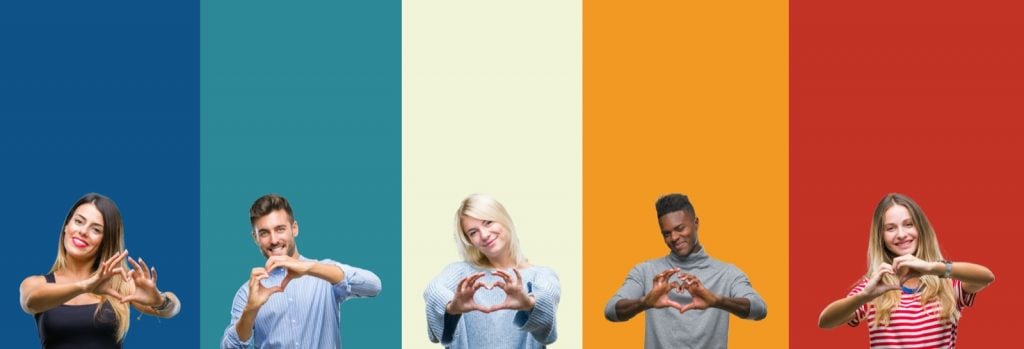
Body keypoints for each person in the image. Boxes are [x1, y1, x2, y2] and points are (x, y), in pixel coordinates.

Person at [818, 193, 995, 348]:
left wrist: (931, 267)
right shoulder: (875, 286)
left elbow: (986, 277)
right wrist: (864, 296)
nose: (901, 234)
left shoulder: (946, 283)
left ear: (921, 228)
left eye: (908, 224)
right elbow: (825, 322)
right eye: (890, 228)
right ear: (881, 237)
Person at [604, 193, 767, 349]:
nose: (674, 238)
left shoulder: (727, 273)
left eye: (680, 228)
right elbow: (611, 311)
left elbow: (759, 310)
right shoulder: (646, 271)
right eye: (666, 233)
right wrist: (644, 302)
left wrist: (717, 301)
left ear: (696, 223)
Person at [19, 193, 182, 348]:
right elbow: (30, 302)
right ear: (66, 227)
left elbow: (173, 308)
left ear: (106, 241)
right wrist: (84, 286)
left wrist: (160, 302)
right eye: (79, 221)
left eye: (95, 229)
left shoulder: (117, 286)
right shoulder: (36, 283)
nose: (83, 231)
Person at [221, 194, 382, 349]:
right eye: (264, 233)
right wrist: (251, 310)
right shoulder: (248, 292)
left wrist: (309, 268)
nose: (274, 240)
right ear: (255, 238)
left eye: (280, 229)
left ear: (294, 229)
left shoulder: (325, 272)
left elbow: (374, 286)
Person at [423, 194, 560, 348]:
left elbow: (548, 297)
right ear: (469, 241)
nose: (485, 235)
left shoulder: (540, 275)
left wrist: (528, 304)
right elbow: (433, 290)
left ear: (503, 218)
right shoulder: (461, 273)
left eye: (488, 222)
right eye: (473, 232)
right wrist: (452, 307)